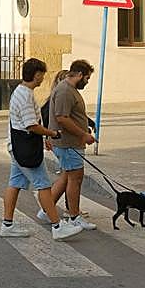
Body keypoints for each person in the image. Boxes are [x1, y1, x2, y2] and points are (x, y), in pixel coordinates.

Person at [1, 57, 82, 241]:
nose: (43, 79)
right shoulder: (24, 96)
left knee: (15, 184)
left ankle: (7, 224)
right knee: (44, 185)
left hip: (17, 147)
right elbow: (31, 125)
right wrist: (52, 133)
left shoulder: (22, 92)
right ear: (36, 75)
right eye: (42, 75)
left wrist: (45, 136)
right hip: (25, 149)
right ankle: (57, 226)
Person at [45, 59, 98, 232]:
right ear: (80, 75)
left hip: (70, 143)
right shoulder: (65, 91)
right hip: (68, 144)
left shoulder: (69, 89)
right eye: (87, 78)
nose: (87, 82)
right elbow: (62, 118)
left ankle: (47, 209)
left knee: (68, 177)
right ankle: (74, 216)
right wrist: (83, 134)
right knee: (76, 178)